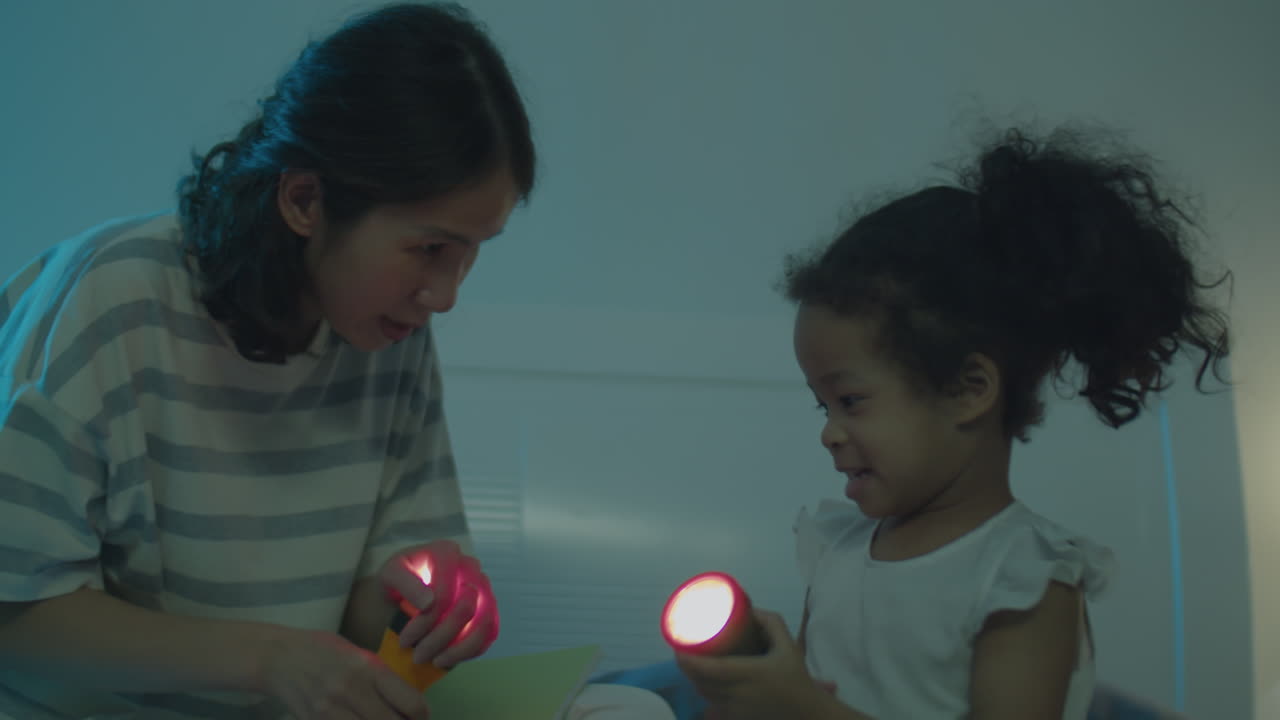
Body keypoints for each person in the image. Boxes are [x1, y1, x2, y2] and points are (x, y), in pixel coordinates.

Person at [0, 4, 526, 718]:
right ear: (305, 199)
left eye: (471, 254)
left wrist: (423, 607)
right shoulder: (109, 302)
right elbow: (16, 620)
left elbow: (371, 612)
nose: (444, 296)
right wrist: (267, 662)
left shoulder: (387, 333)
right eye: (430, 249)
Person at [675, 127, 1230, 719]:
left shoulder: (1018, 580)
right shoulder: (840, 550)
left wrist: (800, 707)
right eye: (823, 406)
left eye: (852, 401)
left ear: (968, 391)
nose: (829, 432)